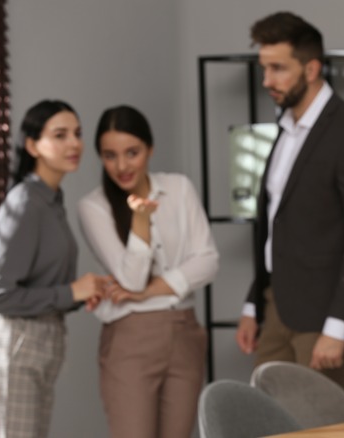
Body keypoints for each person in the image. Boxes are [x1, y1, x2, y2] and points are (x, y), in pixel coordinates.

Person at [234, 11, 344, 402]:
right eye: (263, 68)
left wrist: (336, 328)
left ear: (312, 67)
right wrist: (255, 302)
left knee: (326, 427)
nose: (267, 80)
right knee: (267, 423)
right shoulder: (285, 130)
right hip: (276, 309)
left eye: (278, 68)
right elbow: (277, 226)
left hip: (325, 316)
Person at [77, 105, 218, 438]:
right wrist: (140, 221)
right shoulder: (93, 206)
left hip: (185, 331)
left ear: (150, 149)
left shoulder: (179, 189)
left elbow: (208, 261)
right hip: (130, 337)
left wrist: (149, 291)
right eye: (110, 155)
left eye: (132, 153)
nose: (122, 166)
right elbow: (130, 279)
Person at [0, 100, 106, 438]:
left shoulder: (50, 200)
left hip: (43, 339)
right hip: (14, 341)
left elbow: (43, 280)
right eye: (60, 135)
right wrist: (70, 292)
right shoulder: (25, 203)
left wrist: (80, 294)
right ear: (33, 145)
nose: (74, 143)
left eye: (77, 134)